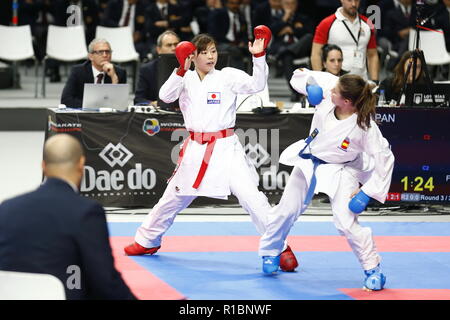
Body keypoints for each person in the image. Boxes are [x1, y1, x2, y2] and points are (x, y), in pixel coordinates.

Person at [124, 28, 298, 272]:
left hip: (226, 148)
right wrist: (180, 69)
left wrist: (259, 57)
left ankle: (280, 246)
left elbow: (256, 85)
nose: (210, 56)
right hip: (195, 149)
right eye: (204, 52)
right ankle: (147, 240)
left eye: (213, 51)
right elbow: (164, 96)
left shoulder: (227, 75)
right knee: (171, 199)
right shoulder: (184, 78)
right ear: (192, 56)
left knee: (252, 197)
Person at [258, 69, 395, 291]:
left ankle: (373, 268)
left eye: (335, 92)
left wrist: (367, 191)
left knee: (345, 221)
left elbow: (385, 159)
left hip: (342, 169)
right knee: (286, 210)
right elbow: (298, 76)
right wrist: (309, 83)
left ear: (347, 102)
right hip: (310, 160)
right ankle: (270, 252)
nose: (330, 90)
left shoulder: (364, 127)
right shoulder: (333, 87)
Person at [0, 134, 136, 300]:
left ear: (43, 166)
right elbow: (106, 284)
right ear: (81, 164)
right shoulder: (86, 212)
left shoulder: (6, 208)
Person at [310, 0, 379, 82]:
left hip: (361, 81)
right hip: (335, 82)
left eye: (356, 0)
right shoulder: (326, 23)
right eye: (349, 0)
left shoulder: (368, 23)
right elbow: (316, 54)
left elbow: (372, 55)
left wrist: (375, 81)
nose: (353, 4)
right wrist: (321, 81)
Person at [60, 38, 127, 109]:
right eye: (100, 52)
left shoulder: (119, 73)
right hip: (85, 115)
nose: (105, 55)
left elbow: (120, 104)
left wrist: (114, 78)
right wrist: (95, 107)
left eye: (107, 52)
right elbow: (66, 100)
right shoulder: (78, 71)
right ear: (91, 56)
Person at [133, 31, 180, 105]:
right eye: (169, 45)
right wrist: (152, 103)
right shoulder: (147, 70)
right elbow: (139, 99)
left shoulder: (189, 68)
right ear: (159, 50)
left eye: (176, 44)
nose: (174, 48)